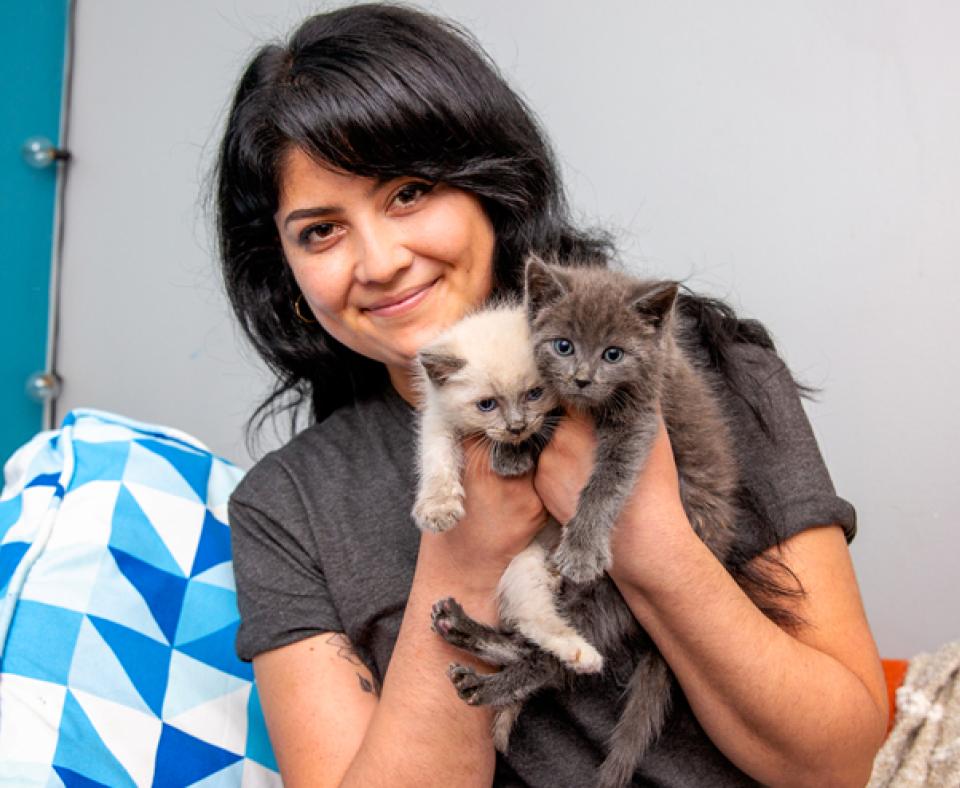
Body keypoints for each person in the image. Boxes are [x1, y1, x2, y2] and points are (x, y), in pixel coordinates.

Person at [216, 5, 888, 786]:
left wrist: (649, 535)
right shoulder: (287, 507)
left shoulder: (707, 370)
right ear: (287, 274)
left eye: (408, 193)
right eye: (320, 231)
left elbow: (844, 763)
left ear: (487, 189)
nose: (381, 260)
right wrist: (463, 561)